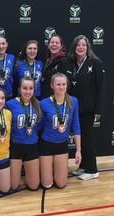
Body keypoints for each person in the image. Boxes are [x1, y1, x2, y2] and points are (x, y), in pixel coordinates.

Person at [68, 35, 106, 180]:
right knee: (81, 138)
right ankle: (83, 165)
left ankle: (92, 170)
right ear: (74, 47)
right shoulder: (72, 63)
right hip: (75, 107)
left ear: (87, 47)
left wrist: (98, 109)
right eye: (78, 45)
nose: (81, 47)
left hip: (88, 108)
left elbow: (101, 87)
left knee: (87, 138)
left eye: (83, 45)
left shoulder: (95, 62)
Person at [39, 73, 81, 189]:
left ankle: (56, 168)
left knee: (61, 184)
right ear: (52, 86)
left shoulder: (73, 101)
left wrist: (78, 150)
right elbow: (39, 125)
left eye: (64, 84)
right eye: (58, 84)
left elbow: (76, 126)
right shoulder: (43, 103)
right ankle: (46, 168)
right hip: (46, 144)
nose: (61, 87)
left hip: (62, 145)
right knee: (47, 184)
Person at [6, 77, 42, 191]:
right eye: (24, 88)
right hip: (15, 145)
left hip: (32, 145)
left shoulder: (38, 104)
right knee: (13, 186)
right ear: (19, 89)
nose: (28, 91)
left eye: (31, 88)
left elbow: (40, 124)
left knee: (34, 186)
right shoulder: (10, 104)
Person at [41, 34, 70, 99]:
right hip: (46, 98)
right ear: (48, 45)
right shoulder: (47, 60)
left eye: (57, 43)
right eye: (52, 42)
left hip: (57, 100)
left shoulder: (64, 61)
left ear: (61, 46)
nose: (54, 44)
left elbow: (66, 83)